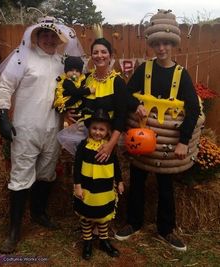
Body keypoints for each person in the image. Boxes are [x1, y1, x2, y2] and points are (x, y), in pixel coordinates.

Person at [0, 16, 84, 254]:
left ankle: (38, 213)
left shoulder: (62, 63)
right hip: (25, 128)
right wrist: (3, 115)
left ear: (59, 39)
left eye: (53, 35)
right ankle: (14, 231)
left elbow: (69, 94)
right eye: (45, 34)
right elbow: (5, 85)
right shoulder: (22, 57)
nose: (49, 39)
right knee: (21, 175)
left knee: (46, 173)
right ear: (36, 36)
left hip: (52, 129)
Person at [115, 10, 200, 252]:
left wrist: (183, 141)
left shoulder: (181, 75)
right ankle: (133, 222)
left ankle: (166, 230)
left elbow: (193, 109)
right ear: (152, 45)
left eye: (166, 44)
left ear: (173, 44)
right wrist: (136, 105)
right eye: (157, 44)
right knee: (138, 182)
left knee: (165, 186)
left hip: (166, 145)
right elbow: (126, 93)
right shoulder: (144, 70)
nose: (161, 48)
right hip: (141, 140)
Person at [63, 31, 127, 161]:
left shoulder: (117, 82)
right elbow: (71, 99)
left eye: (104, 52)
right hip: (83, 138)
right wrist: (67, 112)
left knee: (103, 175)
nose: (99, 56)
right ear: (91, 56)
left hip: (106, 140)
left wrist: (110, 145)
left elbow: (121, 117)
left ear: (110, 55)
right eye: (95, 52)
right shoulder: (84, 79)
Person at [73, 108, 124, 260]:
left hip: (105, 189)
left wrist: (120, 181)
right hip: (87, 187)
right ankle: (87, 241)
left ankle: (103, 240)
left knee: (103, 216)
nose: (97, 132)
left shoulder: (109, 147)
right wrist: (77, 185)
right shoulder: (83, 146)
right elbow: (77, 166)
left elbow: (116, 165)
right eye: (94, 128)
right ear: (89, 129)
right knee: (86, 216)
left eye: (102, 129)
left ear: (108, 131)